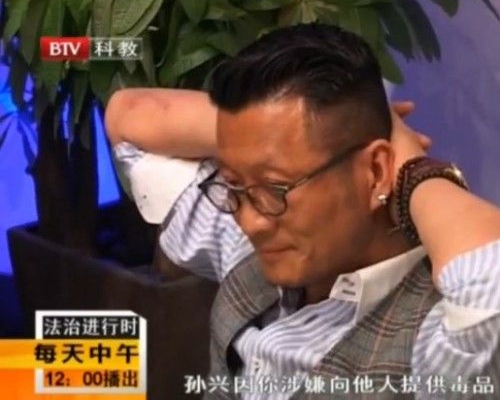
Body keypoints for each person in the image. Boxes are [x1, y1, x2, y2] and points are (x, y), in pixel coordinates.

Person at [105, 24, 500, 399]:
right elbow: (129, 116)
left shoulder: (440, 330)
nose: (250, 223)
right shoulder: (255, 243)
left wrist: (416, 169)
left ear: (378, 171)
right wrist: (259, 131)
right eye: (234, 185)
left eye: (276, 188)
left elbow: (490, 288)